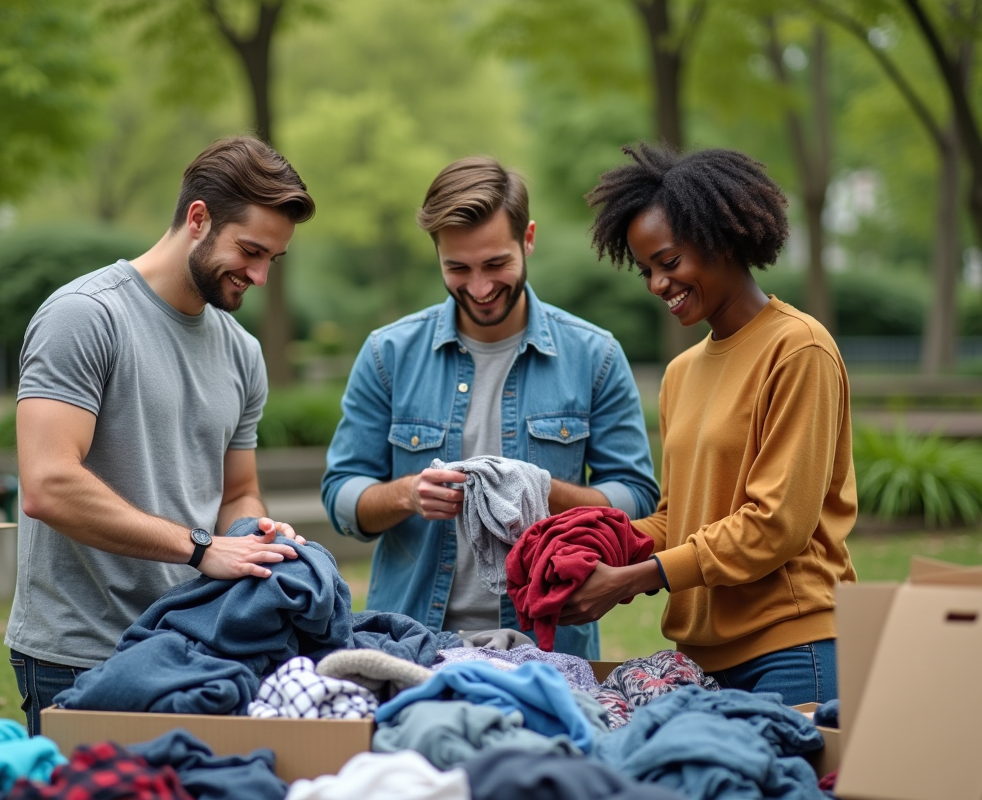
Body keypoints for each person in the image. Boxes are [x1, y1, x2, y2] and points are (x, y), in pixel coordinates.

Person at [6, 136, 315, 734]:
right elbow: (47, 484)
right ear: (198, 218)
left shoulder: (243, 352)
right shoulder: (85, 315)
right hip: (78, 655)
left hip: (190, 646)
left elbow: (238, 491)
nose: (259, 275)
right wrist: (202, 548)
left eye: (271, 260)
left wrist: (257, 537)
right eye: (250, 250)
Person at [322, 157, 660, 659]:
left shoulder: (595, 356)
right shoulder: (386, 354)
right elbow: (341, 497)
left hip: (550, 648)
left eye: (495, 264)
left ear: (528, 239)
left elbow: (637, 502)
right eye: (457, 268)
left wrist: (540, 491)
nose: (478, 288)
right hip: (411, 642)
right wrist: (408, 495)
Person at [560, 143, 857, 704]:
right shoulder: (681, 373)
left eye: (669, 263)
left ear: (723, 237)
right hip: (700, 662)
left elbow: (776, 525)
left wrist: (639, 577)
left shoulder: (799, 349)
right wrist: (595, 547)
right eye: (645, 270)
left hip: (795, 651)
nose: (656, 284)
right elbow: (679, 519)